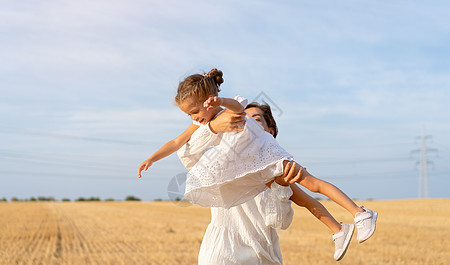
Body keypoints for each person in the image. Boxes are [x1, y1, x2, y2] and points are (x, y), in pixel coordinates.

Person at [137, 68, 377, 251]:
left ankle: (360, 212)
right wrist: (152, 158)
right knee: (302, 199)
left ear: (209, 100)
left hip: (266, 156)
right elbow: (177, 143)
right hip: (252, 168)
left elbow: (236, 107)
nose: (193, 118)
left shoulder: (229, 107)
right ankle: (338, 230)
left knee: (310, 184)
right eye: (188, 115)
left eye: (195, 112)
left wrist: (220, 102)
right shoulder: (201, 122)